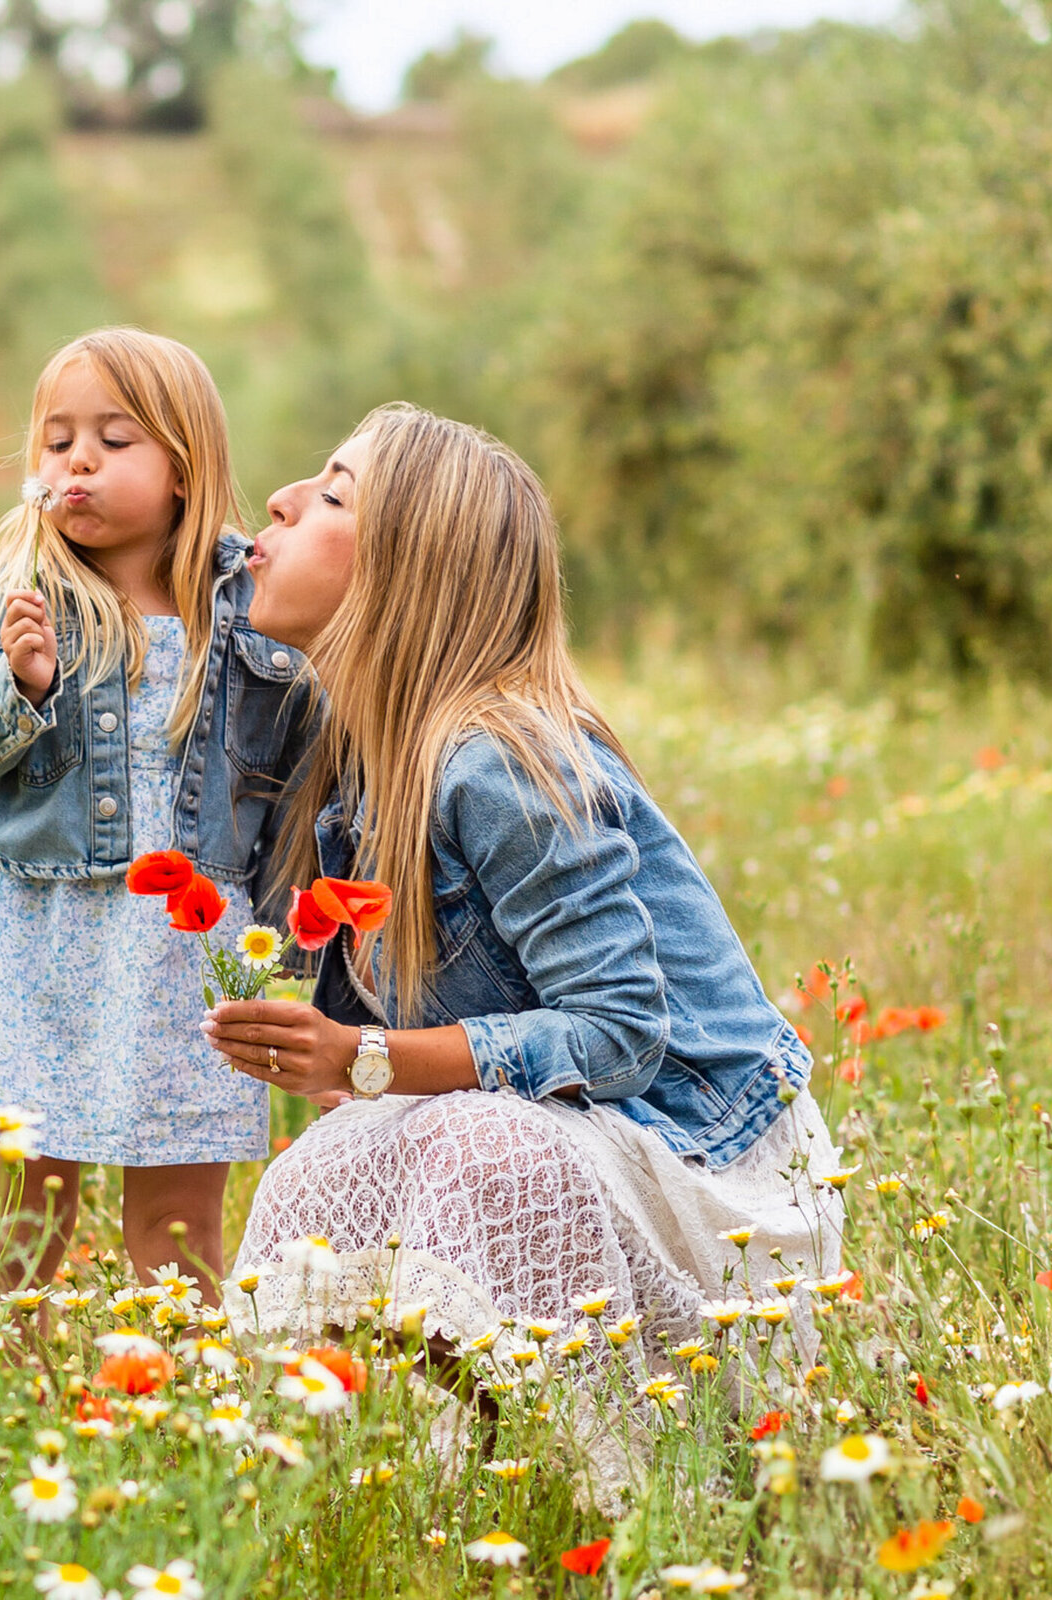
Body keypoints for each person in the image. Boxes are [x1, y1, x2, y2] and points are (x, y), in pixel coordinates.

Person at [202, 403, 844, 1391]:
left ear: (403, 572)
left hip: (713, 1179)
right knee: (330, 1164)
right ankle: (327, 1474)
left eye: (332, 493)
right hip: (583, 1151)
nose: (279, 503)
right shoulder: (359, 771)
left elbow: (620, 1033)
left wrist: (369, 1060)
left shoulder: (497, 756)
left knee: (475, 1140)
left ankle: (611, 1488)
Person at [0, 328, 313, 1299]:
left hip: (184, 951)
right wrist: (20, 682)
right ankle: (2, 1386)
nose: (77, 460)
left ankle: (173, 1406)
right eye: (57, 441)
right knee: (20, 1226)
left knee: (175, 1234)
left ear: (186, 465)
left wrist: (304, 941)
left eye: (114, 439)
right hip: (41, 943)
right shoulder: (18, 603)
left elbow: (310, 767)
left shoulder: (251, 606)